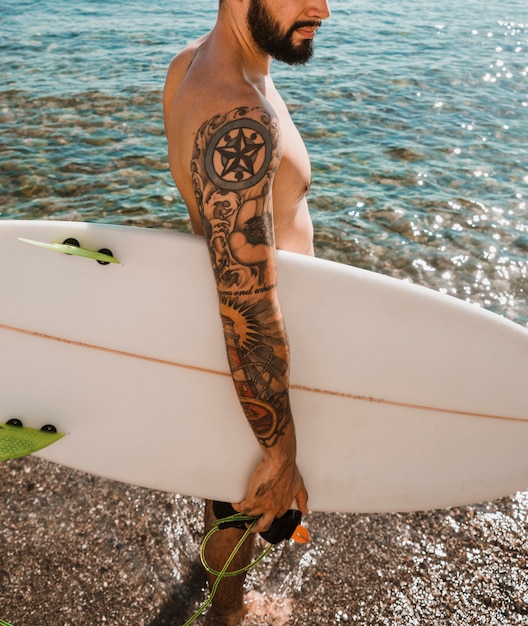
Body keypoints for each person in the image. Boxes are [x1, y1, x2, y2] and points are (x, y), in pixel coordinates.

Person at [163, 1, 331, 622]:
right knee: (251, 485)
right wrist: (282, 448)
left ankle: (214, 586)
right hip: (251, 352)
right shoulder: (235, 112)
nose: (324, 10)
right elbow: (248, 305)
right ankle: (227, 610)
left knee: (227, 470)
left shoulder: (189, 67)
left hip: (219, 341)